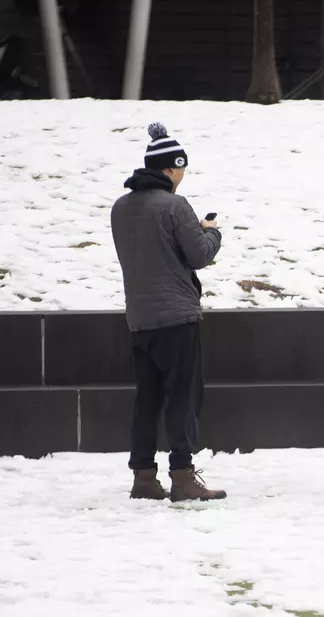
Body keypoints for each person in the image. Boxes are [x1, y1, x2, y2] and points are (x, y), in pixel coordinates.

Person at [110, 122, 226, 502]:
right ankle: (182, 475)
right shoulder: (175, 206)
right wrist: (210, 231)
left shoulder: (121, 208)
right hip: (177, 319)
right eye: (181, 170)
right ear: (170, 168)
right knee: (183, 397)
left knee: (147, 399)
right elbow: (199, 255)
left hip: (140, 320)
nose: (182, 177)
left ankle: (143, 477)